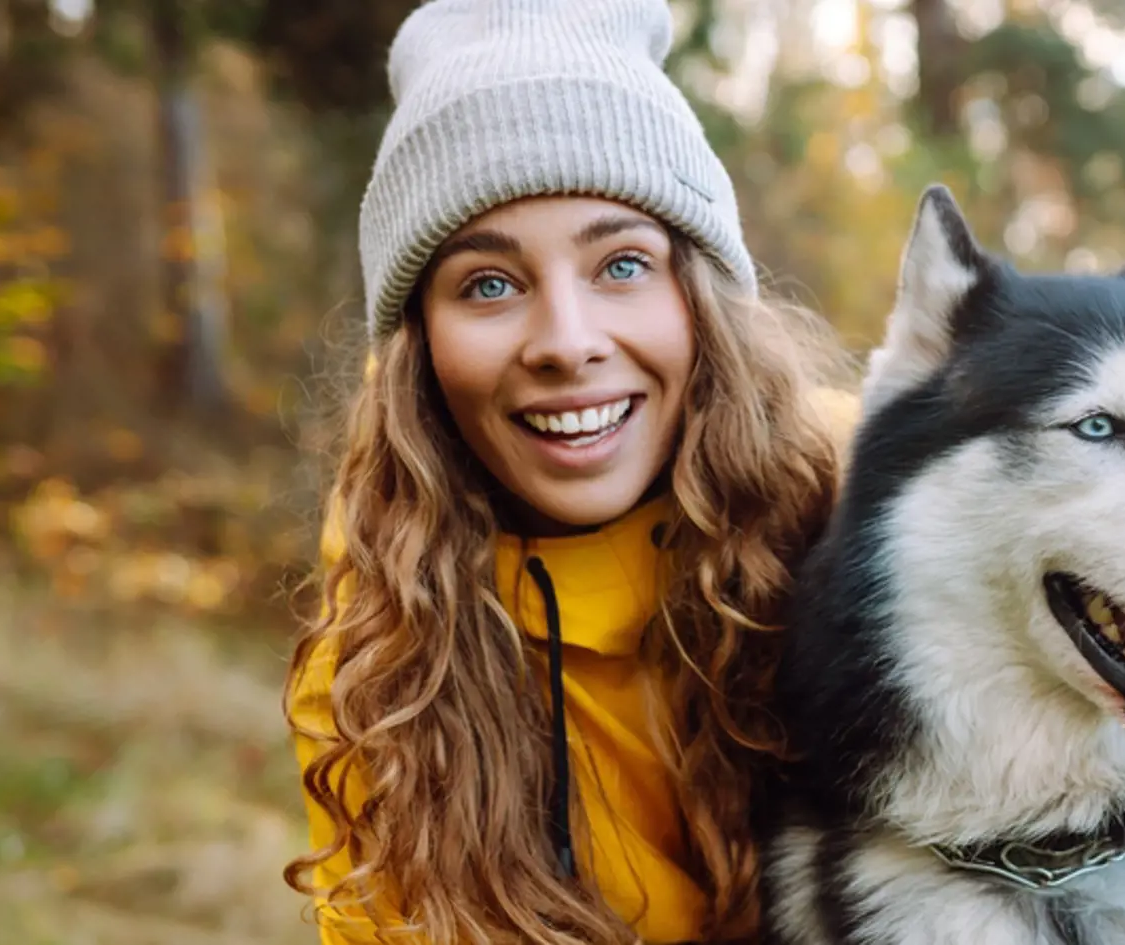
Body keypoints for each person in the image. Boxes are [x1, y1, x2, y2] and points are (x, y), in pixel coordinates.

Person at [281, 1, 856, 943]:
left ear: (700, 297)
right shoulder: (382, 661)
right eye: (489, 285)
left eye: (622, 264)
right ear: (421, 344)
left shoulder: (857, 502)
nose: (567, 342)